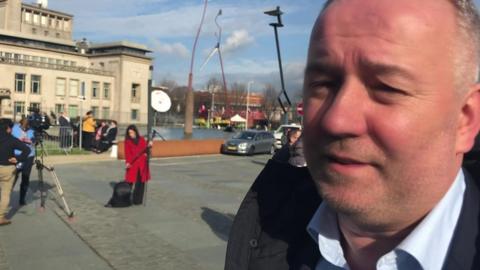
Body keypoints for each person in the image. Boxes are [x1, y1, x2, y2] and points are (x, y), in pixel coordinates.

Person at [225, 1, 480, 270]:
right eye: (322, 84)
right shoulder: (263, 230)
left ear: (465, 119)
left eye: (387, 88)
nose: (337, 120)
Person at [0, 118, 30, 225]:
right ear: (8, 128)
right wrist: (19, 159)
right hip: (7, 168)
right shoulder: (11, 139)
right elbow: (27, 149)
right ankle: (0, 217)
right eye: (11, 128)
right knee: (5, 193)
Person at [124, 125, 151, 205]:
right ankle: (125, 199)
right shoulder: (127, 142)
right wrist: (127, 163)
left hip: (142, 164)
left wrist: (149, 147)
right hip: (133, 164)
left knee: (141, 183)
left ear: (135, 132)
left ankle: (138, 200)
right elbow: (127, 153)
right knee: (129, 182)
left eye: (132, 132)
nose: (131, 134)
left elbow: (146, 150)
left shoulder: (142, 139)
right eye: (129, 133)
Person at [11, 118, 35, 206]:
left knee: (25, 178)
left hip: (29, 156)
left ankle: (22, 198)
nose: (25, 129)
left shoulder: (32, 130)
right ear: (20, 124)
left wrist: (31, 141)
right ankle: (7, 195)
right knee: (13, 176)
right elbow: (9, 139)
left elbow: (35, 141)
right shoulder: (14, 128)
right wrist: (18, 140)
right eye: (23, 127)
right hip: (17, 155)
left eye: (27, 127)